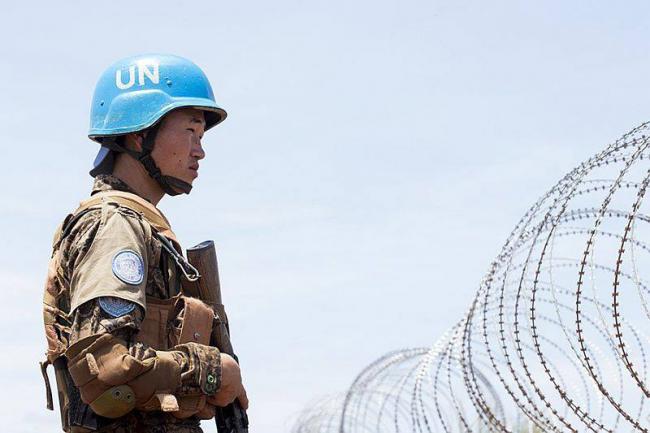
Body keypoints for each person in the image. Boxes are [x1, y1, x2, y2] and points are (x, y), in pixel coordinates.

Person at [41, 54, 248, 433]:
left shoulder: (139, 226)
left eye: (201, 137)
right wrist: (212, 371)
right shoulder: (114, 225)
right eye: (190, 131)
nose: (199, 151)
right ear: (140, 133)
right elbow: (105, 369)